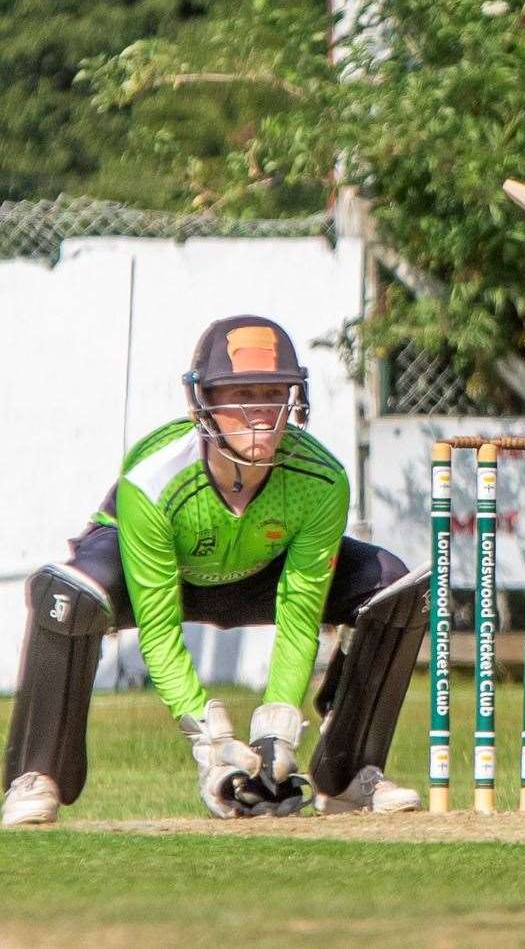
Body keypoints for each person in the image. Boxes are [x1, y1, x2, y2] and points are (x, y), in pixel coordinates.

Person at [2, 315, 427, 825]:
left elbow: (300, 611)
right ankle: (36, 776)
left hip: (256, 574)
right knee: (70, 594)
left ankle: (349, 774)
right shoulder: (154, 479)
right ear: (202, 401)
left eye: (273, 395)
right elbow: (159, 628)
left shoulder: (322, 480)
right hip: (155, 575)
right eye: (240, 394)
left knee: (393, 587)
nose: (260, 415)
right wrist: (212, 740)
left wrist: (277, 729)